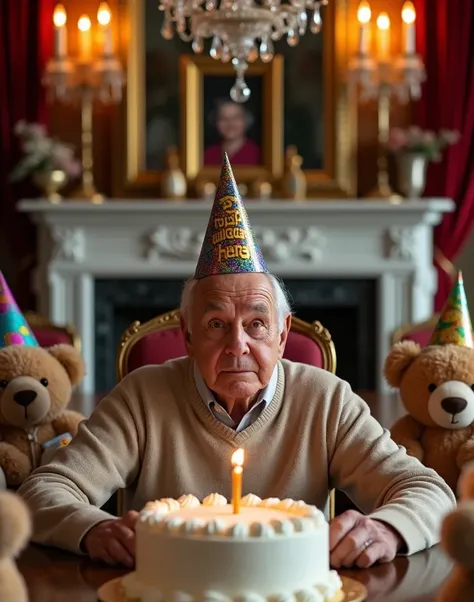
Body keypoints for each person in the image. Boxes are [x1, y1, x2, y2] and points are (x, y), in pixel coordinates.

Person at [17, 155, 456, 571]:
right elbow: (43, 491)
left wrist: (384, 529)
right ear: (187, 336)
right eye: (215, 324)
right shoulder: (142, 397)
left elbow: (429, 491)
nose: (237, 345)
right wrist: (94, 529)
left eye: (257, 324)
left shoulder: (327, 400)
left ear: (283, 335)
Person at [204, 99, 260, 166]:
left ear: (246, 121)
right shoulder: (208, 154)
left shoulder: (258, 154)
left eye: (236, 118)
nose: (230, 124)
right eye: (223, 118)